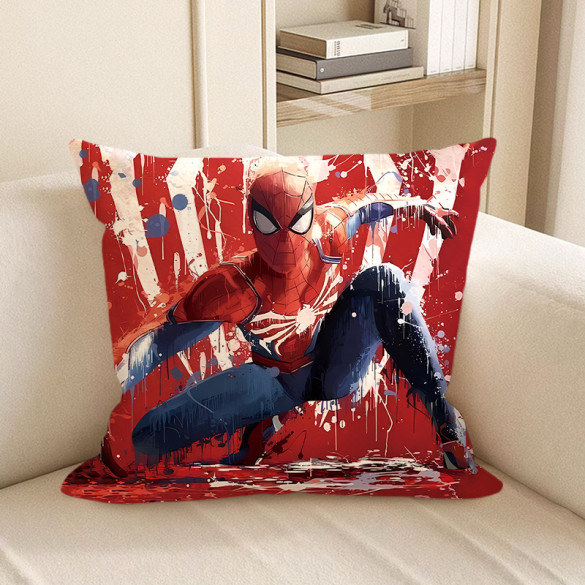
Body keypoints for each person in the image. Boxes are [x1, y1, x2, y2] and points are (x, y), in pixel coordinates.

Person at [123, 159, 475, 473]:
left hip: (333, 363)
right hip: (275, 380)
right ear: (253, 221)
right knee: (147, 435)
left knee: (385, 278)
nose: (285, 241)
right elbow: (162, 341)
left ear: (310, 215)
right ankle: (262, 432)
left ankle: (443, 418)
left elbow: (370, 205)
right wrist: (121, 378)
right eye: (269, 224)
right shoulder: (232, 285)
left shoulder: (327, 231)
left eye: (296, 223)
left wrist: (422, 207)